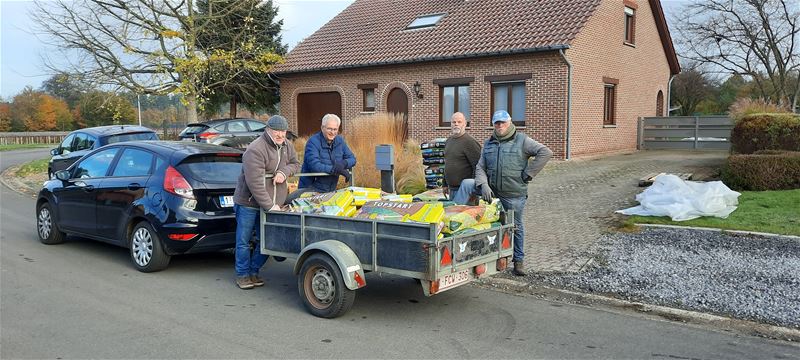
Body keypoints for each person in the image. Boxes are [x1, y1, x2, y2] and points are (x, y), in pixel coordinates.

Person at [474, 110, 552, 276]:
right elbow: (480, 167)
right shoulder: (489, 143)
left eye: (503, 122)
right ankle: (497, 258)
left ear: (509, 122)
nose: (500, 126)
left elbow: (545, 152)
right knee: (493, 226)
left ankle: (518, 261)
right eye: (497, 123)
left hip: (514, 195)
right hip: (493, 195)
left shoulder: (522, 140)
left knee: (516, 227)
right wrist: (483, 184)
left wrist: (529, 173)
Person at [232, 115, 301, 290]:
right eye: (276, 131)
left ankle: (254, 271)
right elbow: (255, 184)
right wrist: (270, 206)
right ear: (268, 130)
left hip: (272, 202)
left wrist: (284, 172)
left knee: (267, 240)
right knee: (243, 240)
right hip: (249, 203)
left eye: (283, 131)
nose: (280, 135)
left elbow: (295, 164)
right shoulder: (256, 149)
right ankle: (242, 275)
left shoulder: (287, 145)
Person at [289, 114, 356, 201]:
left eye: (335, 129)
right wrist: (336, 169)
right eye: (329, 129)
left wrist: (343, 163)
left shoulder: (340, 141)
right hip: (310, 190)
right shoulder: (313, 142)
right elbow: (314, 165)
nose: (332, 132)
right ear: (322, 128)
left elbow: (352, 159)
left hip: (330, 190)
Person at [443, 112, 481, 204]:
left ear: (465, 124)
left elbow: (478, 167)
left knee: (462, 217)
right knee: (452, 216)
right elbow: (446, 164)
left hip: (466, 192)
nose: (456, 124)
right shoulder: (449, 141)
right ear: (450, 124)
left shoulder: (470, 143)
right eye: (454, 122)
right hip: (452, 189)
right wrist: (444, 184)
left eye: (459, 122)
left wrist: (473, 190)